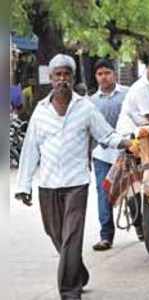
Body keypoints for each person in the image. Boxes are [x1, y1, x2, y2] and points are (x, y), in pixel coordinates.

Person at [14, 54, 133, 300]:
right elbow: (29, 149)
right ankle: (78, 272)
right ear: (51, 78)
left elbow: (106, 135)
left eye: (66, 74)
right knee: (55, 233)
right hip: (47, 184)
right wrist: (23, 185)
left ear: (73, 77)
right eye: (57, 75)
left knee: (72, 236)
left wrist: (125, 143)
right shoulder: (40, 110)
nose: (62, 79)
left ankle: (69, 291)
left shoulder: (85, 108)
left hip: (76, 183)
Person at [90, 59, 143, 251]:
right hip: (102, 154)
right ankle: (106, 236)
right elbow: (88, 131)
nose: (104, 77)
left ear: (115, 74)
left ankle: (139, 226)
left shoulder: (128, 95)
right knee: (104, 193)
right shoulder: (91, 101)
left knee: (131, 191)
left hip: (127, 152)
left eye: (107, 73)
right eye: (100, 74)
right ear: (96, 77)